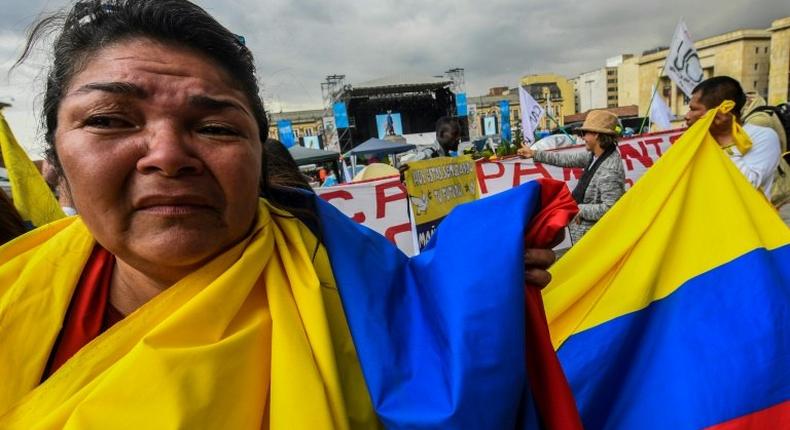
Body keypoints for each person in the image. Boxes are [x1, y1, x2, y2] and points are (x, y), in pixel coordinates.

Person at [0, 1, 572, 427]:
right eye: (109, 119)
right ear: (54, 158)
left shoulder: (355, 288)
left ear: (258, 153)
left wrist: (485, 289)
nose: (169, 156)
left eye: (215, 127)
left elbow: (455, 363)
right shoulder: (12, 295)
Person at [518, 110, 626, 245]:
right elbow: (566, 159)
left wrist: (577, 209)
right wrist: (534, 154)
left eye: (584, 133)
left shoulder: (610, 169)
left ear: (597, 135)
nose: (582, 137)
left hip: (594, 241)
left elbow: (611, 208)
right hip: (586, 235)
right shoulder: (595, 155)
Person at [684, 76, 781, 199]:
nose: (687, 116)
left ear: (720, 112)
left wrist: (725, 139)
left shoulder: (763, 136)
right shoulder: (698, 139)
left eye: (693, 109)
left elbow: (747, 186)